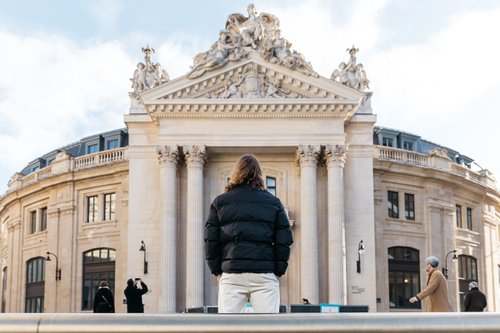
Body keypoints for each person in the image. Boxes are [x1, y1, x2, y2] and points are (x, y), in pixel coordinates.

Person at [204, 154, 293, 313]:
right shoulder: (274, 202)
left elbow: (211, 241)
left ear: (236, 173)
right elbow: (283, 241)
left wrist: (217, 270)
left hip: (232, 273)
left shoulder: (219, 202)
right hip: (264, 274)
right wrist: (278, 271)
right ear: (259, 174)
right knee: (269, 328)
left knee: (227, 328)